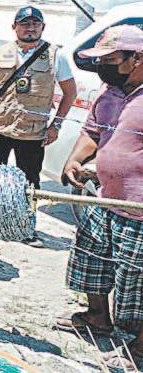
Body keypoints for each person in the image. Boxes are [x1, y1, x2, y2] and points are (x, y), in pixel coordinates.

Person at [0, 6, 77, 247]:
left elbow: (70, 93)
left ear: (43, 27)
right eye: (25, 24)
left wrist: (56, 125)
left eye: (35, 24)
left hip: (32, 132)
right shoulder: (0, 53)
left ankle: (26, 228)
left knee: (30, 183)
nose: (30, 28)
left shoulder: (56, 56)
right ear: (14, 27)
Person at [60, 25, 143, 366]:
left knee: (136, 278)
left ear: (136, 58)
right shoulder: (108, 93)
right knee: (90, 259)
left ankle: (140, 346)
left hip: (137, 209)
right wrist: (74, 160)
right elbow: (92, 131)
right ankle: (97, 317)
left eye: (110, 60)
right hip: (104, 199)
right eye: (100, 60)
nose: (102, 67)